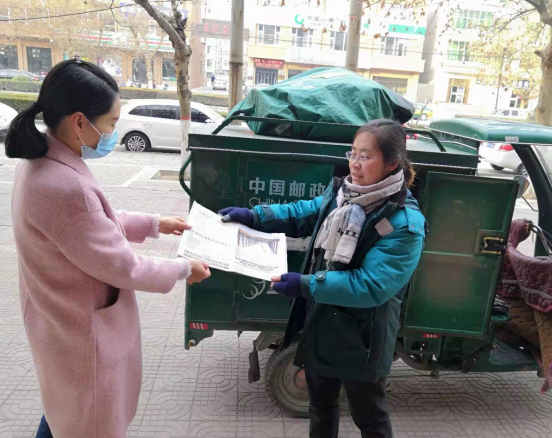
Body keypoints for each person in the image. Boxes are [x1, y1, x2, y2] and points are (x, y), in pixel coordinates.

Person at [5, 59, 211, 438]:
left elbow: (92, 225)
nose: (113, 133)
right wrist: (184, 269)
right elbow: (124, 266)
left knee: (63, 413)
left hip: (58, 323)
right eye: (111, 123)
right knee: (86, 420)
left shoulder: (42, 163)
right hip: (81, 337)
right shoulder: (63, 185)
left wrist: (153, 224)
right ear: (79, 121)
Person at [219, 119, 426, 438]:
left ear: (392, 162)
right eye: (352, 153)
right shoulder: (343, 194)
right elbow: (303, 212)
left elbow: (371, 286)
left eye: (366, 156)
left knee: (369, 419)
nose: (355, 164)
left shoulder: (404, 224)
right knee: (321, 408)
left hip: (363, 340)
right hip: (322, 324)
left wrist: (305, 284)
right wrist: (255, 216)